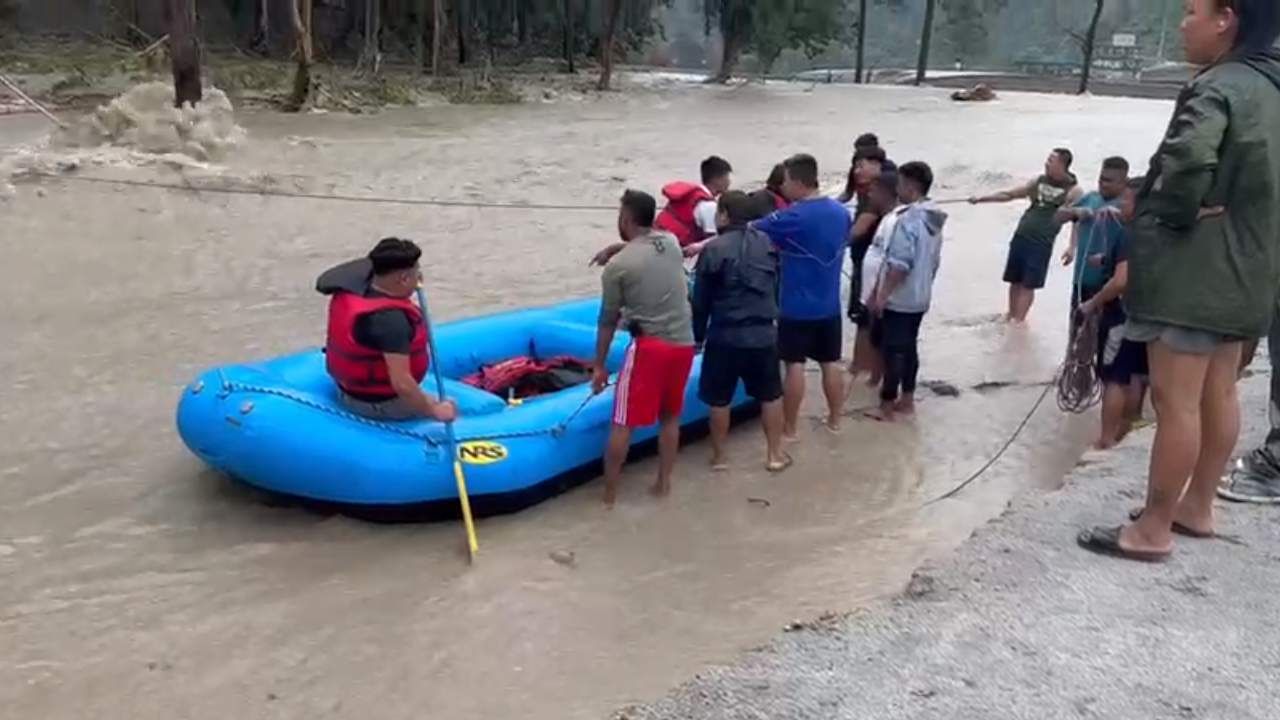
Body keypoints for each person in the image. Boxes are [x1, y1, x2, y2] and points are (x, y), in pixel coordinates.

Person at [1078, 0, 1280, 561]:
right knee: (1221, 390)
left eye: (1192, 10)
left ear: (1226, 19)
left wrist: (1172, 212)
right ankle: (1197, 507)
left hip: (1197, 270)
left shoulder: (1216, 85)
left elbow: (1189, 157)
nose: (1182, 22)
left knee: (1176, 400)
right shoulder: (1273, 84)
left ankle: (1152, 529)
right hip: (1254, 267)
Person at [593, 190, 698, 507]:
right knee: (670, 418)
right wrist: (617, 247)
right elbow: (646, 247)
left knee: (622, 421)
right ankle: (664, 484)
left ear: (625, 219)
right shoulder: (670, 243)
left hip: (650, 348)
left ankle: (609, 496)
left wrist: (598, 366)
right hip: (683, 343)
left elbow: (607, 321)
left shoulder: (617, 269)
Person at [753, 153, 852, 439]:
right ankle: (835, 422)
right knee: (830, 362)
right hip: (830, 305)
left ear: (798, 181)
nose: (782, 187)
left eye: (785, 181)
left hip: (796, 307)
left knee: (794, 365)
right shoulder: (840, 213)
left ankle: (790, 428)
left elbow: (749, 230)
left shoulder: (791, 217)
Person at [690, 191, 790, 473]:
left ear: (723, 215)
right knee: (771, 395)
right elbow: (776, 290)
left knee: (719, 399)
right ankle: (774, 454)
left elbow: (701, 302)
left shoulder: (713, 249)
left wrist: (698, 337)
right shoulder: (769, 244)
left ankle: (720, 457)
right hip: (763, 334)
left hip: (725, 335)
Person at [317, 238, 458, 422]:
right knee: (456, 407)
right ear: (404, 279)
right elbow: (402, 384)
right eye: (416, 274)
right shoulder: (391, 322)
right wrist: (435, 410)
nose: (419, 280)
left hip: (345, 388)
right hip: (378, 404)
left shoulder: (355, 283)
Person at [865, 162, 946, 422]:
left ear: (910, 187)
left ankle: (886, 406)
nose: (897, 188)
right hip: (920, 296)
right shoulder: (933, 217)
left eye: (899, 183)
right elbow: (934, 261)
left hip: (901, 298)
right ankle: (907, 399)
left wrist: (882, 294)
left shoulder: (908, 219)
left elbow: (900, 264)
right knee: (909, 348)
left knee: (893, 352)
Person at [1074, 178, 1149, 449]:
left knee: (1114, 378)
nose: (1120, 205)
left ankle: (1106, 438)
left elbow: (1121, 280)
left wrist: (1092, 303)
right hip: (1148, 315)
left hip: (1122, 315)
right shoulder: (1155, 231)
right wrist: (1106, 260)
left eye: (1126, 201)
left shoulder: (1130, 234)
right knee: (1137, 373)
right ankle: (1129, 427)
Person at [970, 148, 1083, 323]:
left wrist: (1072, 247)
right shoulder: (1038, 181)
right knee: (1014, 279)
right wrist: (981, 198)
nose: (1046, 163)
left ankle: (1019, 321)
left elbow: (1077, 220)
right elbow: (1010, 195)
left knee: (1028, 284)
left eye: (1051, 160)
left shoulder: (1074, 190)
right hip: (1021, 236)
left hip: (1041, 242)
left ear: (1063, 165)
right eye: (1047, 159)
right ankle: (1011, 315)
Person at [855, 169, 907, 389]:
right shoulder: (886, 219)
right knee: (877, 337)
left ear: (887, 194)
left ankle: (885, 388)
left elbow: (893, 262)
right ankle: (875, 380)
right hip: (876, 292)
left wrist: (878, 294)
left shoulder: (895, 222)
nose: (870, 196)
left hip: (884, 294)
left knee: (887, 341)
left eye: (874, 192)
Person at [655, 155, 733, 256]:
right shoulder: (708, 206)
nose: (729, 182)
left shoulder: (690, 195)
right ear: (716, 179)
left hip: (660, 244)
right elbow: (714, 243)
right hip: (675, 252)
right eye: (727, 177)